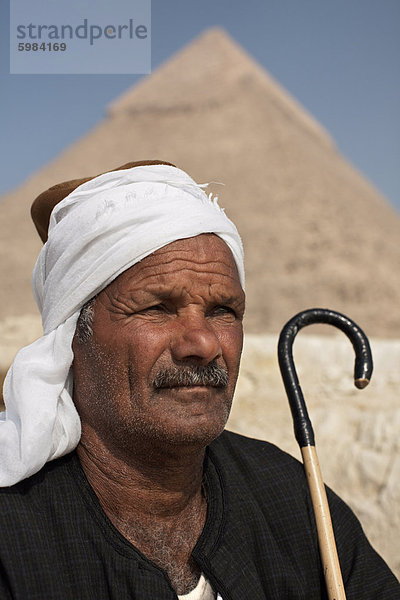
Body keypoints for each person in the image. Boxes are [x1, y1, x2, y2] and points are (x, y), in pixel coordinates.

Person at [0, 160, 399, 600]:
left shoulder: (292, 497)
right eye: (157, 308)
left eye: (222, 311)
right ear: (73, 337)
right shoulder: (15, 539)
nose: (204, 343)